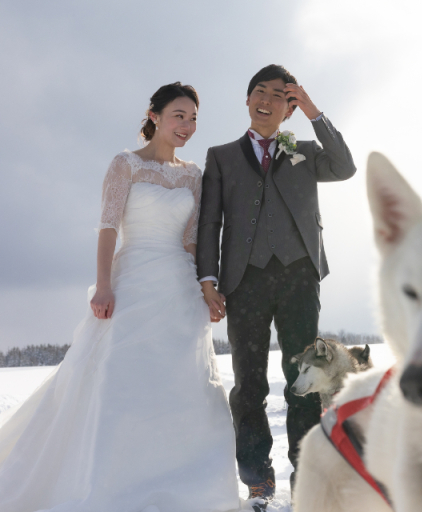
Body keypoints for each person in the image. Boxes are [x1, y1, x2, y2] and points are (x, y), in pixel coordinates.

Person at [0, 83, 251, 512]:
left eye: (193, 119)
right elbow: (108, 228)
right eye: (178, 115)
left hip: (178, 289)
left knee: (183, 387)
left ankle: (188, 486)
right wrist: (103, 285)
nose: (186, 126)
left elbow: (192, 241)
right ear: (154, 115)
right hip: (132, 282)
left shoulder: (193, 174)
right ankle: (109, 485)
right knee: (123, 381)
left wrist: (204, 291)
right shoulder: (125, 165)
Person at [196, 64, 357, 504]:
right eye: (259, 92)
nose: (267, 100)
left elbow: (345, 167)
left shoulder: (304, 149)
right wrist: (208, 278)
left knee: (303, 378)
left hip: (298, 276)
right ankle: (257, 477)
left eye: (279, 97)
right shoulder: (221, 156)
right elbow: (210, 221)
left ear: (289, 110)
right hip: (243, 280)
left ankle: (307, 475)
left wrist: (312, 110)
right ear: (247, 100)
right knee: (249, 383)